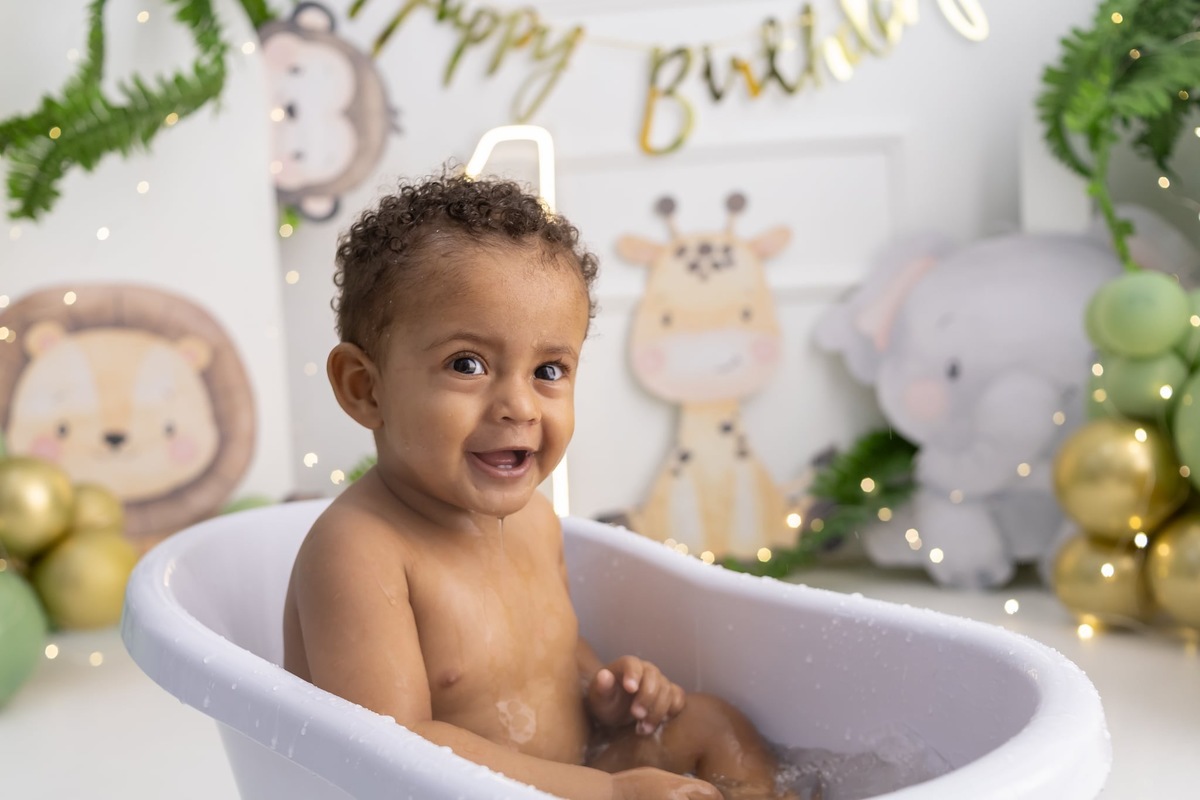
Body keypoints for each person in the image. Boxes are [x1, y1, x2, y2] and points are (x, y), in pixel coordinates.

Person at [282, 171, 794, 800]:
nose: (519, 406)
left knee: (715, 724)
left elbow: (549, 651)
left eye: (549, 370)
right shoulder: (360, 553)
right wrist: (611, 794)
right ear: (366, 388)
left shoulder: (533, 520)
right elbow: (392, 753)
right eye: (467, 364)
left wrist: (603, 690)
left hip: (571, 777)